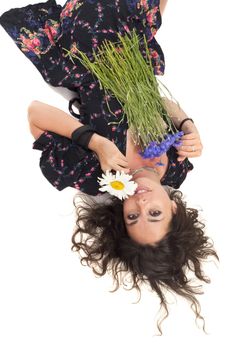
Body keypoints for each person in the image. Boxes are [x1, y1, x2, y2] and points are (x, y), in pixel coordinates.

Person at [0, 0, 218, 334]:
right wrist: (187, 124)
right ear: (173, 207)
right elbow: (161, 101)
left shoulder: (96, 177)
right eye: (155, 214)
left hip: (82, 51)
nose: (142, 204)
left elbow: (35, 113)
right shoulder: (177, 168)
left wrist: (96, 142)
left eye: (133, 216)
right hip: (133, 47)